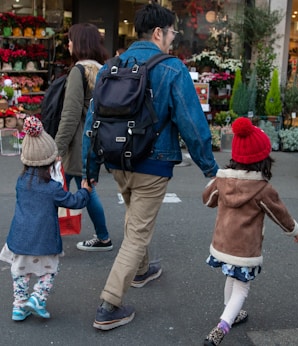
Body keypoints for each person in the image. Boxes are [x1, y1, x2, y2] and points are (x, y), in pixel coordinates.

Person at [82, 3, 219, 330]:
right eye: (172, 32)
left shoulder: (110, 67)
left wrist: (90, 169)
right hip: (153, 164)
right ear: (159, 32)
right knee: (137, 232)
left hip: (117, 161)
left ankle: (142, 270)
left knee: (134, 217)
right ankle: (109, 304)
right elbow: (192, 124)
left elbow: (93, 122)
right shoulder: (171, 68)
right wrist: (211, 170)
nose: (173, 39)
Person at [202, 117, 298, 346]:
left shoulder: (223, 181)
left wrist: (217, 179)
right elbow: (281, 216)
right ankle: (221, 328)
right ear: (264, 159)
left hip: (222, 244)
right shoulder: (262, 188)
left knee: (231, 277)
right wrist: (295, 231)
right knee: (242, 289)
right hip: (245, 249)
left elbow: (207, 200)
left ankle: (231, 314)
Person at [0, 116, 92, 322]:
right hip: (45, 240)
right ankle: (38, 298)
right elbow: (74, 202)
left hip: (20, 239)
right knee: (49, 271)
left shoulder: (21, 181)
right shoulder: (52, 188)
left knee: (20, 273)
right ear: (50, 160)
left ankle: (19, 306)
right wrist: (85, 191)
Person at [55, 23, 113, 252]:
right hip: (93, 141)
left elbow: (70, 115)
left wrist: (56, 148)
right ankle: (102, 236)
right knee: (84, 187)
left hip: (76, 143)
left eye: (71, 39)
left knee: (58, 189)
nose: (68, 44)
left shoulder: (78, 71)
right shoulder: (102, 70)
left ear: (79, 43)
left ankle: (45, 238)